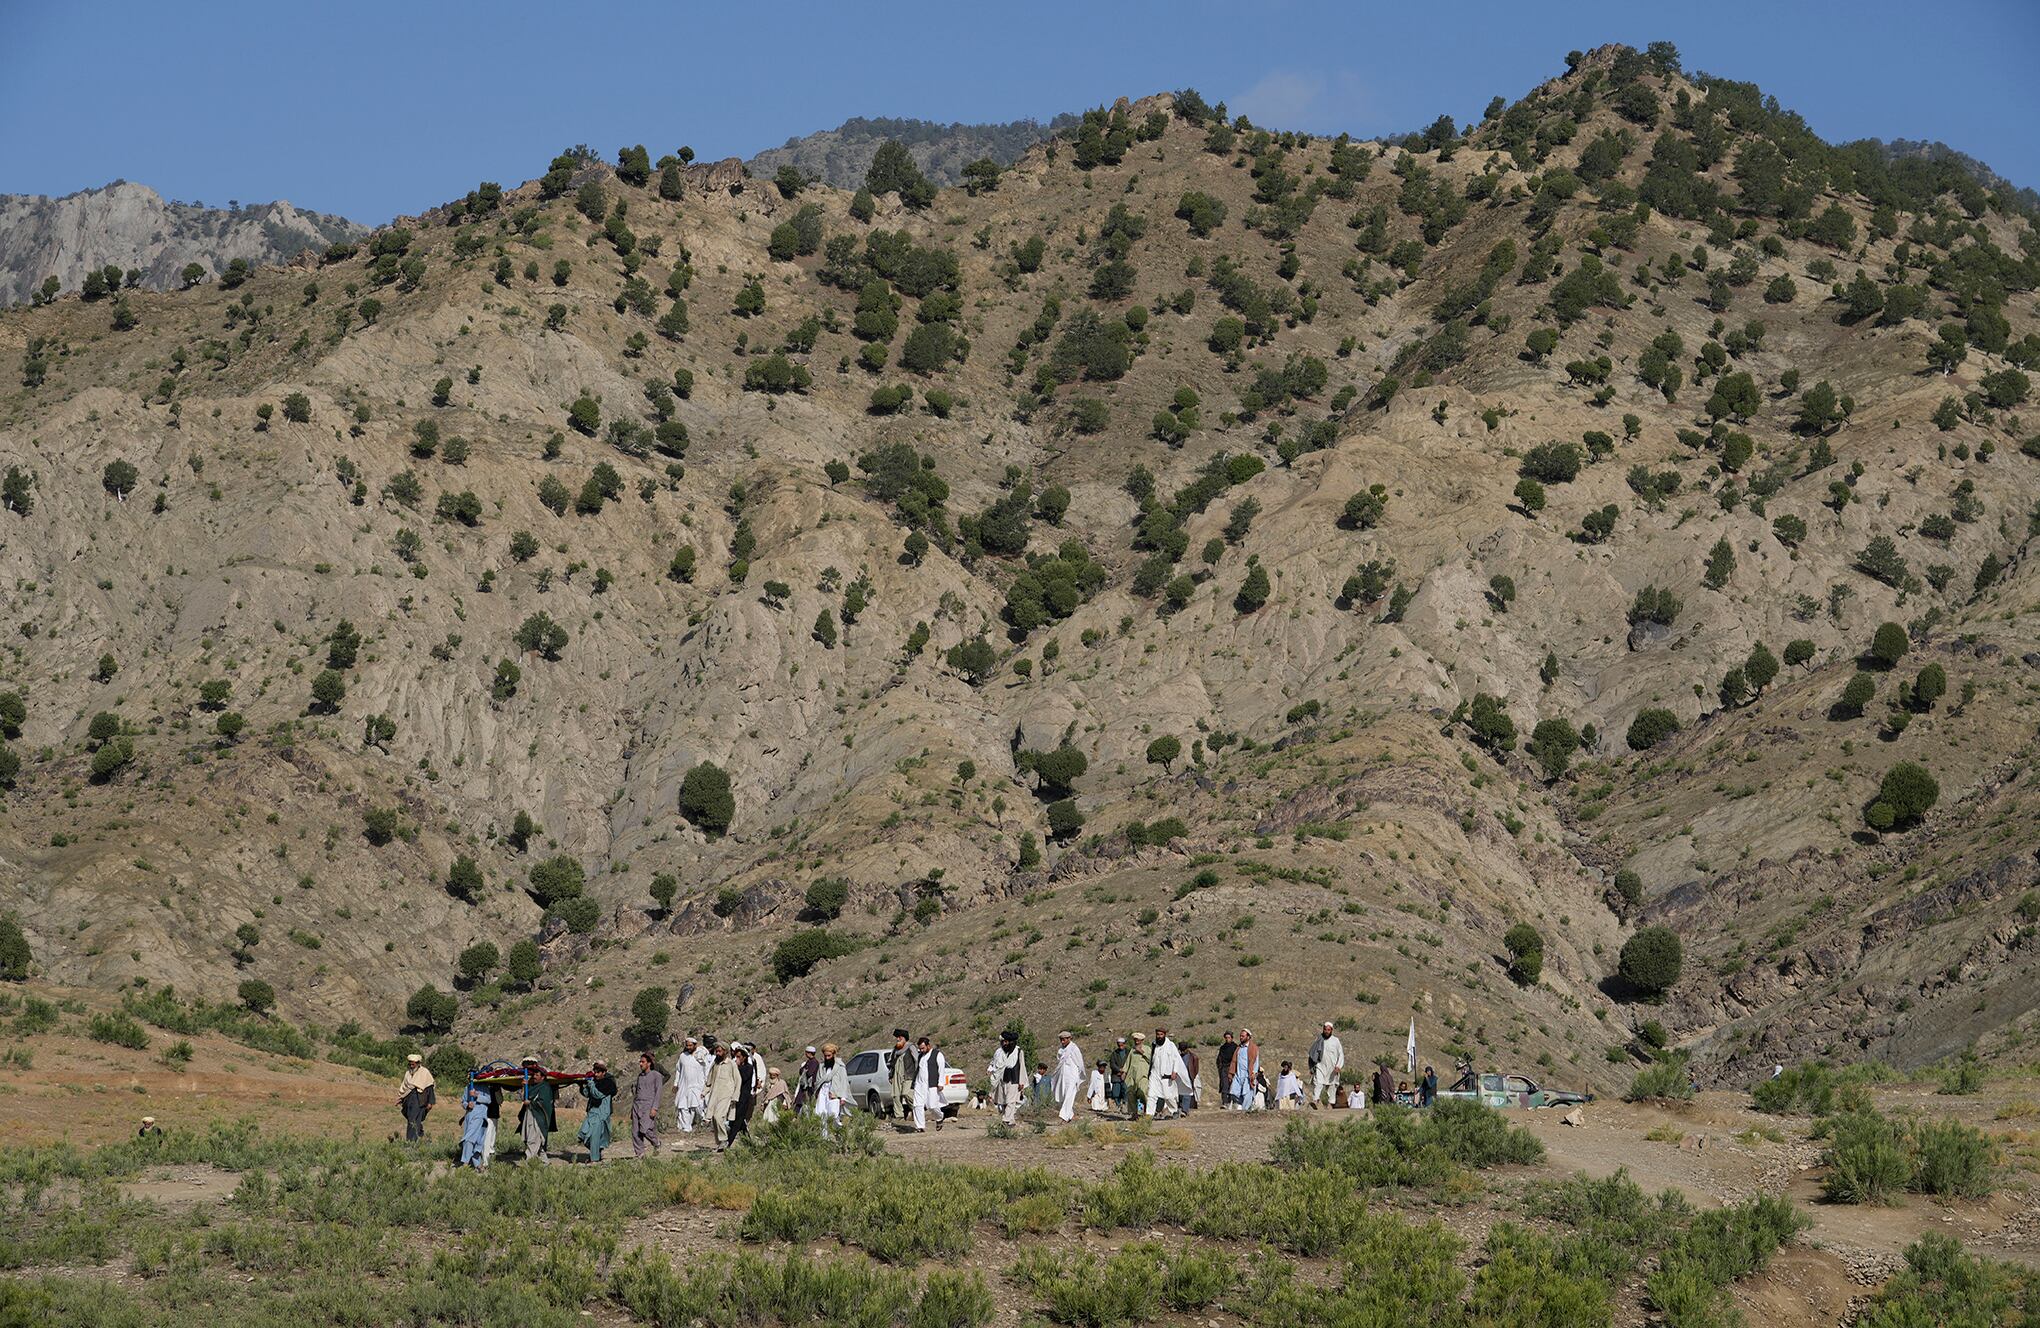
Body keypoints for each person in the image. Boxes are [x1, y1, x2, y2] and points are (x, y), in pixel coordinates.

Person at [517, 1056, 556, 1162]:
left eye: (537, 1075)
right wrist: (523, 1087)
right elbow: (524, 1098)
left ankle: (529, 1164)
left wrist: (531, 1103)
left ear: (542, 1077)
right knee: (537, 1144)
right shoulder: (532, 1086)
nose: (534, 1076)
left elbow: (544, 1103)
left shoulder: (545, 1087)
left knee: (533, 1141)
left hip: (538, 1118)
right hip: (530, 1115)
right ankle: (545, 1163)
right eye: (533, 1074)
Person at [578, 1060, 616, 1162]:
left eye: (598, 1072)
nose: (596, 1074)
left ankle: (594, 1159)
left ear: (604, 1072)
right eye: (595, 1071)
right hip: (592, 1112)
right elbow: (587, 1094)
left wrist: (591, 1084)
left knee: (594, 1137)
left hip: (601, 1113)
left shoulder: (608, 1083)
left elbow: (598, 1095)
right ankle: (597, 1152)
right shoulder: (594, 1082)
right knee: (583, 1134)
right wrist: (582, 1086)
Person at [672, 1035, 709, 1138]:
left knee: (697, 1106)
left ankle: (701, 1124)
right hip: (684, 1085)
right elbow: (678, 1071)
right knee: (683, 1106)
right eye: (687, 1045)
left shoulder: (701, 1055)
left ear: (695, 1045)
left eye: (690, 1045)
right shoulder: (683, 1056)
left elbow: (706, 1069)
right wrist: (676, 1084)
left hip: (697, 1085)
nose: (688, 1047)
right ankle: (686, 1127)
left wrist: (707, 1083)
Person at [1147, 1028, 1186, 1119]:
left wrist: (1174, 1071)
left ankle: (1174, 1110)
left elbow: (1176, 1059)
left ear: (1164, 1035)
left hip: (1166, 1076)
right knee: (1151, 1094)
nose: (1159, 1036)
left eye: (1161, 1034)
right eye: (1158, 1034)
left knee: (1168, 1096)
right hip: (1154, 1074)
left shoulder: (1171, 1045)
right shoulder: (1154, 1045)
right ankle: (1149, 1114)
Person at [912, 1035, 948, 1132]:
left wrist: (941, 1083)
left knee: (932, 1106)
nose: (921, 1050)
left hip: (931, 1084)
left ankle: (940, 1118)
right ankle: (920, 1126)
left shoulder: (937, 1055)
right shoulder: (921, 1056)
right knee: (917, 1105)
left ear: (928, 1045)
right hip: (919, 1084)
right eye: (920, 1049)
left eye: (923, 1048)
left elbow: (941, 1070)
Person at [705, 1044, 739, 1150]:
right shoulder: (715, 1064)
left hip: (727, 1095)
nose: (717, 1053)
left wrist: (735, 1096)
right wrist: (704, 1091)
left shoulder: (731, 1064)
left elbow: (738, 1080)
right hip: (715, 1094)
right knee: (714, 1119)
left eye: (720, 1051)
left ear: (725, 1051)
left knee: (718, 1116)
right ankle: (720, 1142)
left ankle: (724, 1139)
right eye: (716, 1051)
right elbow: (709, 1080)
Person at [988, 1030, 1025, 1125]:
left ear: (1011, 1042)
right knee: (1003, 1101)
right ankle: (1010, 1120)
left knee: (1010, 1101)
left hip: (1014, 1080)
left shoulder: (1018, 1051)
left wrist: (1022, 1082)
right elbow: (993, 1062)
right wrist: (990, 1069)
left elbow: (1022, 1067)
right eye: (1003, 1042)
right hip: (1001, 1079)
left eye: (1006, 1042)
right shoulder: (999, 1052)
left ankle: (1006, 1119)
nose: (1004, 1044)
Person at [631, 1052, 664, 1158]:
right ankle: (640, 1153)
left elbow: (658, 1092)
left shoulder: (656, 1076)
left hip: (648, 1105)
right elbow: (637, 1093)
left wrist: (655, 1108)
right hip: (637, 1105)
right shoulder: (640, 1076)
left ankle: (656, 1143)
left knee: (645, 1130)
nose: (640, 1064)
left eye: (643, 1062)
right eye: (640, 1062)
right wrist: (632, 1109)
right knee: (635, 1132)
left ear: (649, 1063)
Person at [398, 1053, 436, 1143]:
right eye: (410, 1063)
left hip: (420, 1099)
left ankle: (412, 1141)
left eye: (413, 1064)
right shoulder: (408, 1073)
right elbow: (405, 1087)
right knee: (411, 1120)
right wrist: (401, 1098)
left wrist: (430, 1102)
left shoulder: (424, 1072)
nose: (411, 1065)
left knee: (413, 1120)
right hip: (409, 1100)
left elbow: (429, 1087)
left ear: (418, 1063)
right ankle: (417, 1136)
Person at [815, 1043, 851, 1135]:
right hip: (823, 1093)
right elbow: (818, 1080)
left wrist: (842, 1097)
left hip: (834, 1093)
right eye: (825, 1056)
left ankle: (841, 1134)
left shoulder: (840, 1066)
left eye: (829, 1055)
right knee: (821, 1114)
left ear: (834, 1054)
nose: (827, 1058)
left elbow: (843, 1082)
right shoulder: (821, 1066)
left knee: (833, 1115)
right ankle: (824, 1137)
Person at [729, 1042, 758, 1145]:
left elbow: (742, 1078)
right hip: (735, 1096)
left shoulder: (748, 1068)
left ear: (744, 1057)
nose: (736, 1058)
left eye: (739, 1056)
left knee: (737, 1120)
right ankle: (748, 1142)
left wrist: (736, 1067)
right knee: (740, 1121)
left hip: (743, 1098)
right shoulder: (736, 1067)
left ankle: (728, 1142)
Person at [1311, 1021, 1345, 1109]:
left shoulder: (1335, 1041)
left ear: (1331, 1030)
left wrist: (1338, 1066)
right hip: (1320, 1066)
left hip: (1332, 1068)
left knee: (1332, 1086)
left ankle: (1331, 1103)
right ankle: (1315, 1100)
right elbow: (1313, 1052)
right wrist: (1312, 1066)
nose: (1326, 1031)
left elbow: (1341, 1054)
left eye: (1328, 1030)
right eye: (1325, 1030)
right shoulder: (1319, 1039)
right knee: (1318, 1083)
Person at [1053, 1030, 1085, 1122]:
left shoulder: (1074, 1049)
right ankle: (1070, 1115)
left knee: (1069, 1095)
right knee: (1064, 1095)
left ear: (1069, 1038)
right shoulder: (1061, 1050)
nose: (1062, 1042)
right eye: (1061, 1040)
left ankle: (1064, 1116)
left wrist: (1077, 1077)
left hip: (1072, 1076)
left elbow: (1080, 1063)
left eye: (1064, 1039)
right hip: (1063, 1077)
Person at [459, 1082, 490, 1169]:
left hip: (480, 1115)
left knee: (470, 1139)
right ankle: (478, 1165)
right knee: (473, 1139)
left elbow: (488, 1100)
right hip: (469, 1116)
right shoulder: (468, 1087)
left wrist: (477, 1095)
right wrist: (467, 1105)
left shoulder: (484, 1086)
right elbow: (464, 1101)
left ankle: (465, 1163)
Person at [888, 1029, 915, 1122]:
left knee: (906, 1093)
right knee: (895, 1095)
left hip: (908, 1074)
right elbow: (891, 1062)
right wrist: (890, 1075)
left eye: (900, 1037)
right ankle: (899, 1116)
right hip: (896, 1074)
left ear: (905, 1038)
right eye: (897, 1037)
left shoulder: (911, 1047)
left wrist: (916, 1075)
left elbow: (917, 1060)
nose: (898, 1039)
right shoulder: (895, 1049)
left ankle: (917, 1109)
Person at [1123, 1034, 1151, 1119]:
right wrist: (1124, 1072)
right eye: (1135, 1039)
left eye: (1138, 1039)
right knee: (1130, 1093)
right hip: (1132, 1076)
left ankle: (1147, 1112)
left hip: (1143, 1075)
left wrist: (1141, 1052)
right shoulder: (1132, 1050)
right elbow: (1128, 1062)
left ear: (1142, 1040)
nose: (1136, 1041)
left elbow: (1151, 1060)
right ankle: (1134, 1114)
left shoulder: (1147, 1049)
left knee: (1143, 1092)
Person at [1230, 1031, 1259, 1111]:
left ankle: (1245, 1110)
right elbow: (1234, 1061)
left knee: (1247, 1094)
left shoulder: (1253, 1048)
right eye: (1240, 1036)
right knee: (1234, 1092)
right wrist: (1232, 1072)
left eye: (1243, 1036)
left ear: (1248, 1037)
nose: (1241, 1037)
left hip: (1248, 1075)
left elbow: (1256, 1062)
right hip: (1238, 1074)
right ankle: (1240, 1107)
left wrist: (1254, 1073)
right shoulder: (1238, 1048)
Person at [792, 1046, 821, 1115]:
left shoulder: (814, 1062)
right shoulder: (809, 1061)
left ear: (809, 1053)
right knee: (800, 1102)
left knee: (807, 1102)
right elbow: (801, 1070)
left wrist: (804, 1070)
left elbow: (809, 1073)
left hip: (809, 1087)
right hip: (805, 1085)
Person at [1216, 1032, 1238, 1109]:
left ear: (1232, 1038)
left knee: (1233, 1084)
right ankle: (1225, 1102)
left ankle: (1234, 1102)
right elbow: (1219, 1058)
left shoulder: (1235, 1047)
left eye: (1229, 1037)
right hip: (1224, 1068)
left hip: (1233, 1067)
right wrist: (1220, 1067)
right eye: (1226, 1037)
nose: (1227, 1039)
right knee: (1224, 1085)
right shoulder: (1222, 1048)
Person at [1108, 1037, 1129, 1108]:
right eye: (1119, 1045)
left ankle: (1125, 1104)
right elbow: (1112, 1064)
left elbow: (1130, 1062)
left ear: (1124, 1044)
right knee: (1116, 1091)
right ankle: (1118, 1105)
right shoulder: (1114, 1053)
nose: (1120, 1047)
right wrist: (1119, 1070)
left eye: (1122, 1045)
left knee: (1126, 1090)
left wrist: (1124, 1071)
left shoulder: (1128, 1052)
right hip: (1116, 1075)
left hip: (1126, 1074)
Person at [1180, 1047, 1200, 1115]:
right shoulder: (1179, 1056)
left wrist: (1193, 1076)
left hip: (1189, 1077)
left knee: (1187, 1093)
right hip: (1180, 1078)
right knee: (1181, 1094)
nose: (1182, 1052)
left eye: (1183, 1050)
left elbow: (1196, 1068)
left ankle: (1185, 1110)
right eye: (1181, 1050)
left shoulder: (1193, 1057)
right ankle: (1182, 1108)